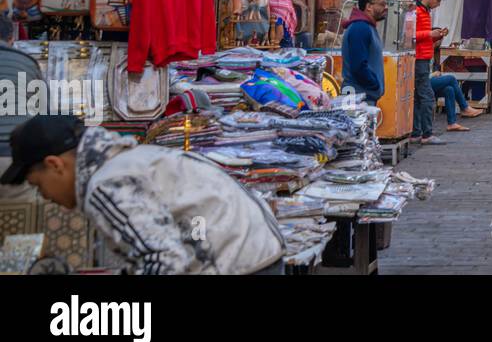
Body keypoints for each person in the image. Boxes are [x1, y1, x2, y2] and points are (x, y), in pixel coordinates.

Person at [4, 115, 285, 274]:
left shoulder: (105, 184)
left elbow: (164, 261)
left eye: (38, 184)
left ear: (55, 165)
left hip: (239, 262)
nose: (44, 197)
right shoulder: (126, 163)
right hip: (255, 253)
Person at [414, 0, 482, 142]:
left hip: (424, 59)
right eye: (438, 0)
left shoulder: (425, 12)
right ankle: (427, 133)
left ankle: (451, 123)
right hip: (420, 60)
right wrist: (431, 34)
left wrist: (435, 36)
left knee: (449, 89)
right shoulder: (418, 12)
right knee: (431, 93)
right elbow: (410, 35)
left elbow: (421, 38)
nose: (438, 4)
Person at [342, 0, 387, 102]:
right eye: (382, 4)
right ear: (369, 7)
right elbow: (359, 66)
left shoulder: (367, 27)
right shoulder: (360, 28)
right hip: (357, 97)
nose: (385, 8)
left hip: (363, 96)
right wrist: (374, 85)